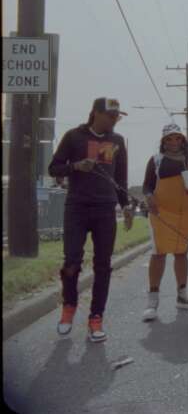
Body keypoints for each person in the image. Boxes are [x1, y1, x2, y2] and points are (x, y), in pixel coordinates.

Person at [49, 97, 134, 343]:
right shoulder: (74, 136)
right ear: (95, 113)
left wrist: (126, 206)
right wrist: (75, 166)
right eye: (110, 115)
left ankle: (96, 317)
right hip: (77, 207)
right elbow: (53, 168)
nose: (114, 120)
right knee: (72, 261)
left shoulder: (117, 141)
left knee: (103, 265)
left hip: (105, 209)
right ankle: (69, 307)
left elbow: (121, 179)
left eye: (117, 116)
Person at [141, 123, 188, 322]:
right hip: (161, 213)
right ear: (163, 141)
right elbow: (147, 186)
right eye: (169, 139)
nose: (173, 142)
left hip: (187, 211)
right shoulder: (156, 160)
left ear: (183, 139)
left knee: (182, 253)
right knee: (159, 254)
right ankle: (152, 302)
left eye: (177, 138)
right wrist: (149, 197)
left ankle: (182, 296)